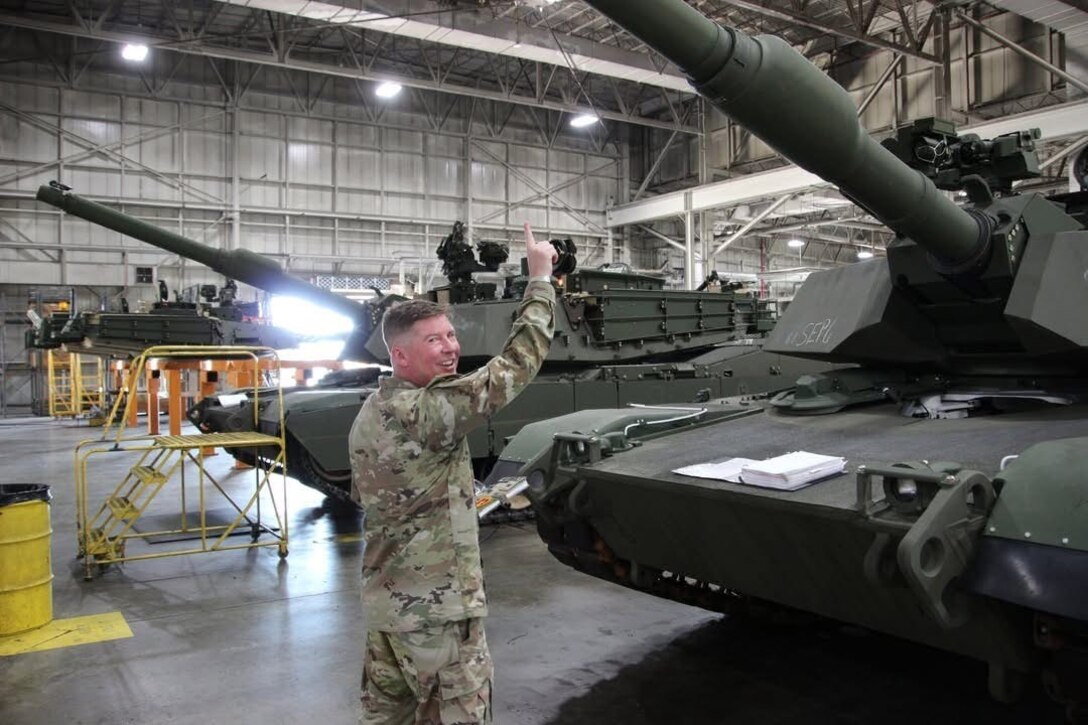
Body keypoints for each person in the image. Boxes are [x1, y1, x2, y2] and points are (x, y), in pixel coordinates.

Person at [349, 222, 557, 724]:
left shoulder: (373, 410)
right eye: (432, 341)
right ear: (400, 355)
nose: (450, 347)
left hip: (389, 609)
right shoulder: (427, 410)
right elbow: (516, 365)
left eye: (450, 335)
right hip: (438, 614)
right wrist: (541, 279)